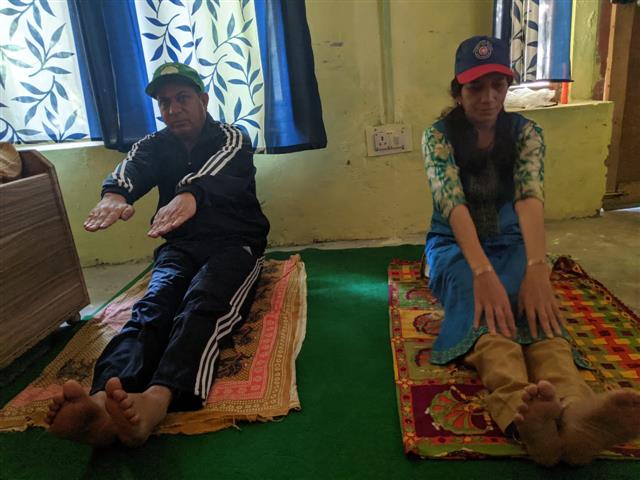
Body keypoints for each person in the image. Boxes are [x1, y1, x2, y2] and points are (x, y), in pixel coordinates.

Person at [422, 36, 640, 466]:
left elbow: (529, 199)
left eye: (497, 86)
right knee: (486, 311)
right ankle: (522, 413)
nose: (488, 98)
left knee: (538, 310)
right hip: (452, 245)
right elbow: (453, 205)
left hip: (512, 242)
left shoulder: (526, 134)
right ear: (458, 92)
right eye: (475, 88)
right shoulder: (438, 137)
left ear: (508, 87)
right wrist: (482, 272)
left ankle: (574, 411)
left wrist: (538, 267)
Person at [46, 62, 270, 447]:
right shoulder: (154, 144)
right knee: (154, 306)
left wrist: (191, 194)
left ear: (203, 100)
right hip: (179, 246)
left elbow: (221, 170)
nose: (173, 109)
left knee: (204, 303)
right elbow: (132, 167)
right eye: (165, 103)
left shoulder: (232, 136)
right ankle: (102, 401)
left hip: (234, 243)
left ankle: (157, 398)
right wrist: (115, 194)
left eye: (182, 98)